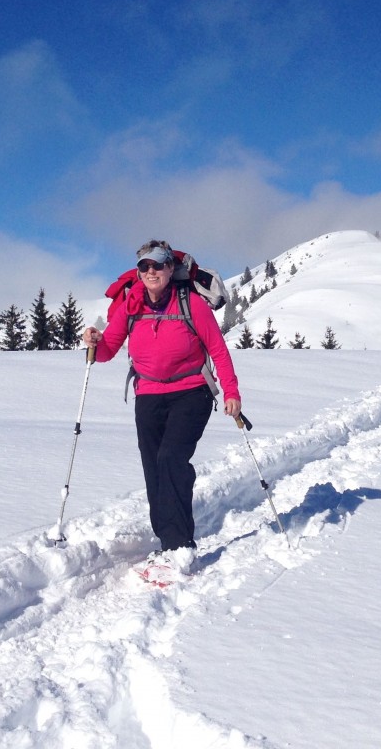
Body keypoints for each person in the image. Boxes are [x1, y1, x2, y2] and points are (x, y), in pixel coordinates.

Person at [82, 240, 241, 572]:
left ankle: (179, 545)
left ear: (171, 268)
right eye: (145, 267)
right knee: (154, 469)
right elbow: (109, 349)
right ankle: (167, 536)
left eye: (157, 265)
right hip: (149, 396)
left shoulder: (191, 303)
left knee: (171, 459)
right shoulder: (131, 303)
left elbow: (218, 350)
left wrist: (231, 392)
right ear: (138, 272)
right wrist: (95, 342)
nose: (151, 271)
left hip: (192, 392)